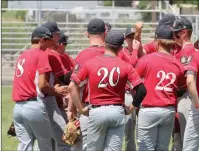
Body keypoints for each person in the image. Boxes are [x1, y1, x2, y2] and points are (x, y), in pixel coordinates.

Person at [69, 30, 146, 151]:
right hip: (117, 111)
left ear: (105, 43)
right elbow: (142, 90)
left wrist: (80, 108)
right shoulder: (125, 65)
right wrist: (131, 108)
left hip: (96, 110)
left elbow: (72, 86)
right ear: (121, 48)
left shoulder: (91, 63)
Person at [135, 25, 186, 151]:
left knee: (145, 148)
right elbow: (181, 89)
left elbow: (134, 83)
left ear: (157, 42)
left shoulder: (146, 59)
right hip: (168, 111)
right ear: (172, 43)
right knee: (162, 148)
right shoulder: (178, 64)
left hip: (149, 109)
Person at [12, 27, 58, 151]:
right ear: (42, 40)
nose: (50, 44)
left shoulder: (22, 55)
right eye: (49, 41)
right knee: (45, 145)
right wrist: (56, 91)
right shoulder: (41, 54)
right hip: (33, 106)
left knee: (24, 145)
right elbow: (42, 85)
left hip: (18, 108)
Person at [67, 18, 107, 151]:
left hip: (89, 109)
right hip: (113, 109)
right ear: (105, 33)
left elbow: (75, 86)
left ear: (87, 34)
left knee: (84, 147)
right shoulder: (113, 53)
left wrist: (71, 109)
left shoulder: (83, 55)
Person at [42, 21, 71, 151]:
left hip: (31, 103)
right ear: (52, 36)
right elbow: (65, 78)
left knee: (44, 142)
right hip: (50, 102)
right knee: (64, 140)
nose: (61, 42)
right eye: (58, 36)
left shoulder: (31, 53)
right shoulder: (52, 55)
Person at [171, 17, 195, 151]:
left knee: (185, 137)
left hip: (185, 96)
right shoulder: (183, 50)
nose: (173, 36)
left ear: (184, 33)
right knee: (178, 135)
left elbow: (185, 78)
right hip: (182, 97)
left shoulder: (187, 50)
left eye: (176, 33)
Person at [118, 24, 143, 151]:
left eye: (134, 37)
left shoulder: (140, 51)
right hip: (128, 94)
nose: (132, 40)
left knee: (143, 128)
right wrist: (134, 50)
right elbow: (131, 66)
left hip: (141, 93)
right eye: (129, 37)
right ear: (125, 38)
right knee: (129, 129)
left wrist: (137, 48)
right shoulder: (121, 53)